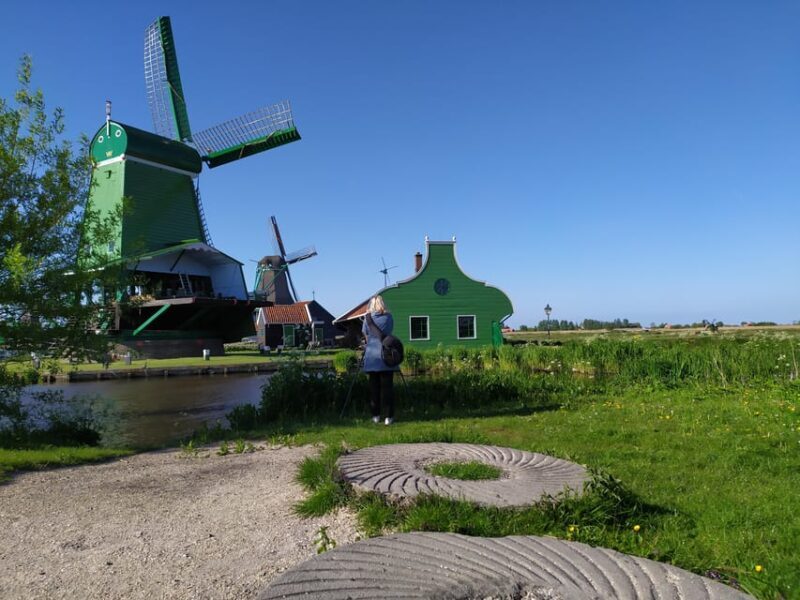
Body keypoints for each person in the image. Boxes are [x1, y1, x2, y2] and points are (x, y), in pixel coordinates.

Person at [362, 295, 398, 425]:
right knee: (388, 388)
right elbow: (389, 332)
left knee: (374, 388)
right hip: (387, 355)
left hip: (372, 356)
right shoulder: (389, 317)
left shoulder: (367, 319)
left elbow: (366, 335)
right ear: (383, 304)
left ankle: (376, 416)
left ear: (371, 305)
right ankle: (388, 417)